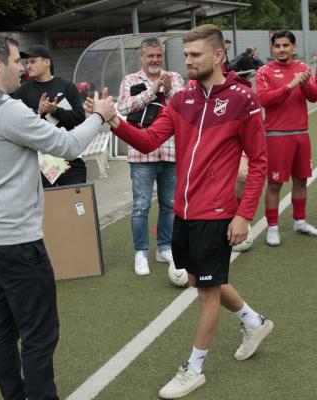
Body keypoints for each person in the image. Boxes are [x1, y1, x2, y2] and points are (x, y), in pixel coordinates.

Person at [88, 24, 273, 398]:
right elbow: (149, 139)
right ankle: (253, 321)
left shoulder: (243, 99)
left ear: (218, 56)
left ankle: (195, 368)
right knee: (199, 280)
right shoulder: (182, 99)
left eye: (194, 55)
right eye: (185, 55)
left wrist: (244, 214)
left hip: (218, 212)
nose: (186, 61)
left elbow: (258, 162)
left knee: (206, 292)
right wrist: (113, 120)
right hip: (183, 212)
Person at [0, 34, 115, 400]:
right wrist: (99, 116)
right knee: (40, 332)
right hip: (16, 239)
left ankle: (15, 394)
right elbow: (69, 146)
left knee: (3, 324)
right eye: (16, 62)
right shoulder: (6, 110)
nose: (22, 69)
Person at [117, 37, 184, 276]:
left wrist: (171, 89)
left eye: (158, 55)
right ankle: (141, 252)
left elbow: (185, 106)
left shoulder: (174, 77)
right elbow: (123, 108)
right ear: (142, 57)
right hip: (140, 152)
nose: (155, 60)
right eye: (150, 56)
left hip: (171, 149)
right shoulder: (130, 80)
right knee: (141, 206)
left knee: (169, 204)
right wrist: (152, 91)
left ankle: (164, 247)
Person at [256, 30, 317, 246]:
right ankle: (272, 227)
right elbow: (264, 99)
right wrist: (290, 86)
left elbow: (314, 96)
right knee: (274, 184)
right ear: (272, 48)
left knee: (301, 181)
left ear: (293, 46)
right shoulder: (264, 71)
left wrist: (305, 84)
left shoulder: (304, 69)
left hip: (301, 134)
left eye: (286, 45)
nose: (282, 49)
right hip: (276, 136)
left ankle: (300, 221)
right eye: (278, 46)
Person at [12, 44, 87, 187]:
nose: (28, 66)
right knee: (49, 207)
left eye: (33, 61)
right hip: (42, 161)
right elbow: (17, 125)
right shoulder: (23, 91)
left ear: (47, 62)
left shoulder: (66, 86)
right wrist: (38, 112)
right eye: (27, 62)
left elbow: (79, 117)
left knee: (75, 204)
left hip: (70, 156)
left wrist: (55, 111)